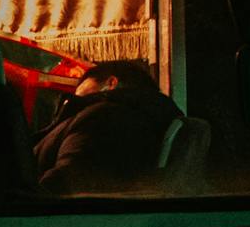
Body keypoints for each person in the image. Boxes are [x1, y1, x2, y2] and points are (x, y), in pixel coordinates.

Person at [34, 60, 182, 194]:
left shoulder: (102, 116)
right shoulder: (144, 115)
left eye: (81, 87)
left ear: (111, 83)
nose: (76, 95)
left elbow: (67, 178)